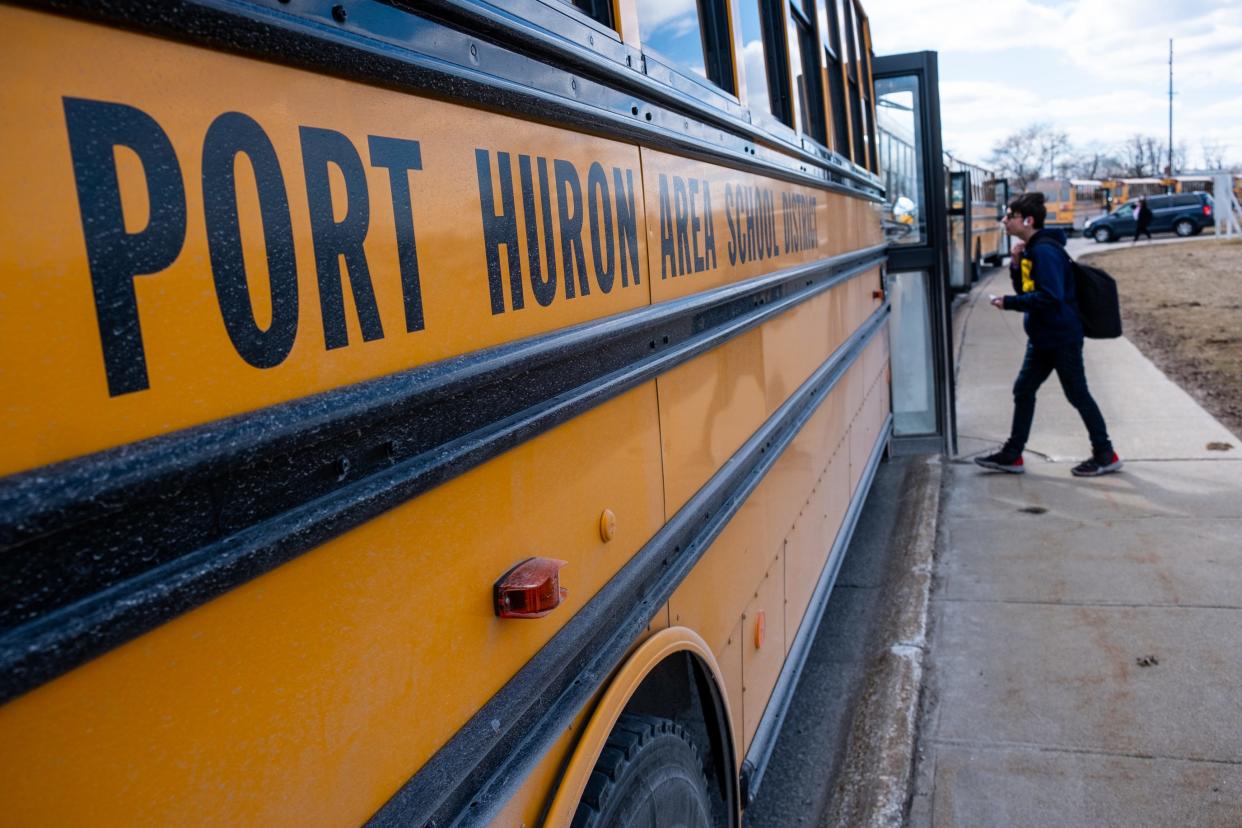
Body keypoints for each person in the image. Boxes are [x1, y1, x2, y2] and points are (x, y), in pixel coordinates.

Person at [975, 192, 1123, 477]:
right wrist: (1017, 265)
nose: (1005, 220)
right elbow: (1028, 290)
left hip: (1061, 337)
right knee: (1024, 389)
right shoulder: (1033, 249)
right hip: (1044, 337)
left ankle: (1105, 454)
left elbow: (1050, 297)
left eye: (1010, 216)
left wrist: (1009, 304)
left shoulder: (1045, 251)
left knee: (1078, 395)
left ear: (1027, 220)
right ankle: (1013, 454)